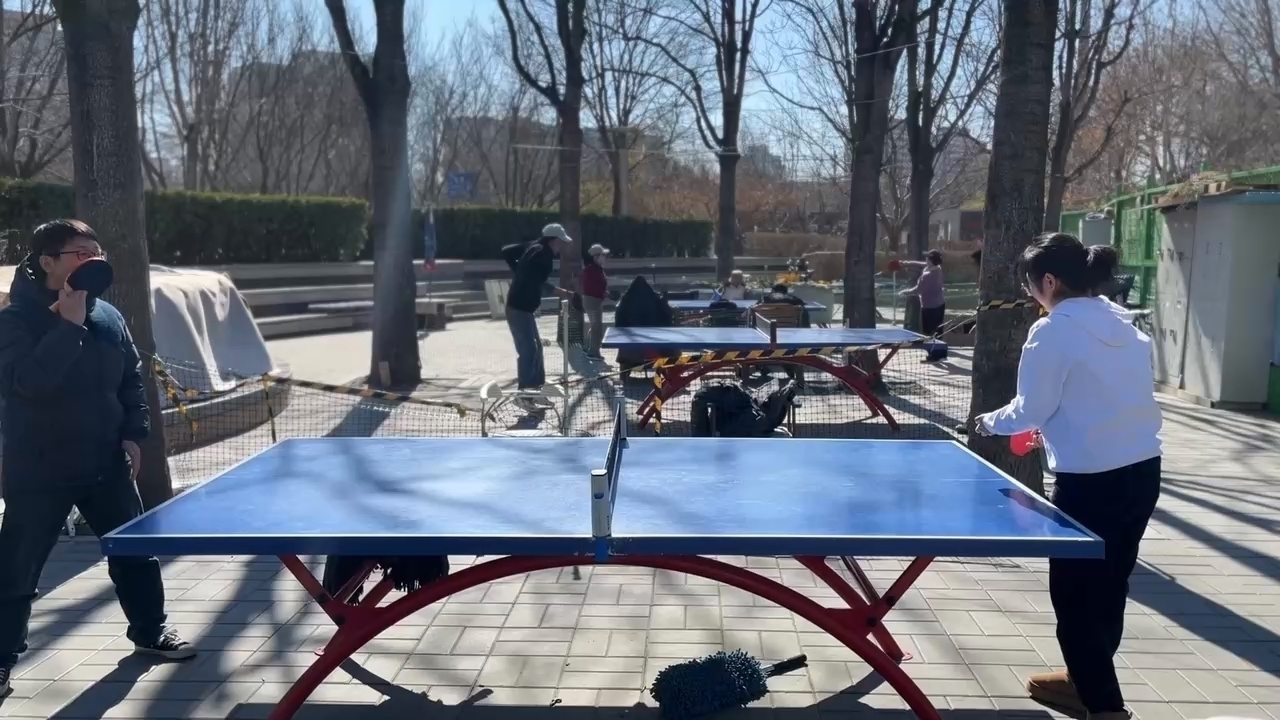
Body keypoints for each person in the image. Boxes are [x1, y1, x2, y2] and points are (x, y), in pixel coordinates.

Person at [0, 220, 196, 698]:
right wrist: (66, 326)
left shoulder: (107, 314)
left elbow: (130, 378)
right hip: (38, 467)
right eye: (79, 252)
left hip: (105, 462)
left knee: (134, 554)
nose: (92, 258)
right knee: (16, 570)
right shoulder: (14, 320)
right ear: (47, 261)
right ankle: (2, 659)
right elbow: (26, 385)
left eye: (96, 250)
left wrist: (134, 435)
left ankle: (150, 632)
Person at [973, 232, 1162, 720]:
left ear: (1049, 281)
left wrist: (987, 421)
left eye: (1032, 283)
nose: (1032, 292)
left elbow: (1030, 408)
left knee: (1075, 599)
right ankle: (1084, 681)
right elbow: (1108, 397)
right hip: (1142, 472)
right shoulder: (1125, 324)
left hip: (1090, 485)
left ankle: (1107, 708)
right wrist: (1059, 431)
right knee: (1111, 585)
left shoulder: (1052, 329)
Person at [500, 224, 574, 403]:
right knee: (528, 350)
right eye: (561, 242)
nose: (563, 246)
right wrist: (562, 292)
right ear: (554, 240)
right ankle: (525, 395)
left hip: (524, 307)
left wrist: (517, 271)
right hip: (518, 308)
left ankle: (536, 390)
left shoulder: (533, 247)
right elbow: (537, 282)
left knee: (537, 348)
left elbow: (507, 252)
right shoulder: (541, 255)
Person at [899, 249, 946, 337]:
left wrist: (904, 292)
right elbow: (921, 264)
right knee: (938, 332)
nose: (925, 260)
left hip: (929, 308)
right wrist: (907, 263)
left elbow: (917, 290)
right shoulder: (938, 268)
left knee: (928, 333)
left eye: (927, 258)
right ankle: (940, 349)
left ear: (931, 261)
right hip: (940, 305)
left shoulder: (927, 276)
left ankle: (932, 350)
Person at [581, 244, 610, 361]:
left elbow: (598, 286)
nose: (604, 257)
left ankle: (590, 349)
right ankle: (593, 352)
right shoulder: (591, 270)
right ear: (595, 257)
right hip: (592, 301)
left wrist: (606, 293)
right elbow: (592, 288)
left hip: (594, 300)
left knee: (595, 325)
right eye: (602, 255)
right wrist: (604, 293)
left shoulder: (596, 269)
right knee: (596, 326)